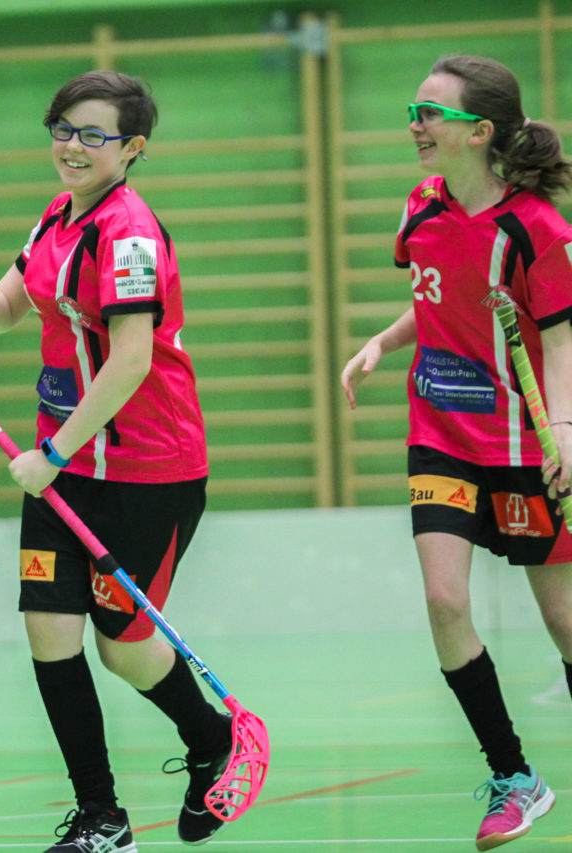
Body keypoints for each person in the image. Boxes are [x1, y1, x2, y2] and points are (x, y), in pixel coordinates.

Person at [0, 70, 233, 851]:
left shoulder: (128, 233)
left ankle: (213, 740)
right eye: (63, 128)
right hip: (63, 464)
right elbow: (10, 310)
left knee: (123, 645)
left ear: (132, 148)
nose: (71, 145)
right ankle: (102, 815)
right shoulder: (53, 220)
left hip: (145, 468)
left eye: (93, 134)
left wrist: (54, 451)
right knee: (48, 632)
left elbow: (131, 359)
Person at [341, 54, 572, 852]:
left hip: (523, 441)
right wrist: (382, 341)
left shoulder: (537, 228)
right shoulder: (420, 208)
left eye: (430, 113)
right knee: (445, 600)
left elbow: (562, 338)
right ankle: (515, 776)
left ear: (480, 131)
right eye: (415, 110)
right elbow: (434, 299)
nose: (415, 124)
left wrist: (566, 435)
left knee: (566, 620)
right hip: (440, 433)